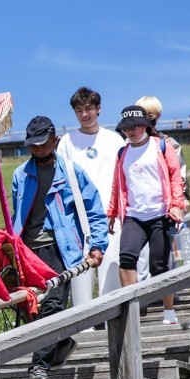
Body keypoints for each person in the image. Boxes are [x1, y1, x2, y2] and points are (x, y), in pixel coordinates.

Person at [12, 115, 108, 379]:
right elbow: (16, 216)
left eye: (43, 144)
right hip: (28, 251)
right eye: (33, 145)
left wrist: (98, 244)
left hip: (59, 249)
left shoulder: (72, 172)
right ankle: (63, 342)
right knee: (32, 309)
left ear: (54, 139)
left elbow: (95, 209)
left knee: (53, 304)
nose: (39, 149)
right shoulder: (21, 174)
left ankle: (38, 366)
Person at [106, 106, 185, 325]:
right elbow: (117, 184)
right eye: (126, 128)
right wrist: (112, 212)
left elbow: (175, 176)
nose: (130, 131)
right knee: (127, 258)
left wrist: (177, 205)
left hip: (160, 214)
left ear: (145, 126)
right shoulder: (122, 153)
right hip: (134, 216)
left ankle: (168, 311)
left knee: (158, 265)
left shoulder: (160, 145)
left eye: (135, 126)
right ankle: (131, 311)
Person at [56, 86, 124, 308]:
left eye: (88, 109)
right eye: (79, 110)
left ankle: (111, 316)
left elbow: (122, 178)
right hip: (78, 218)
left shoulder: (115, 140)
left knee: (110, 269)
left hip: (109, 214)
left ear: (98, 109)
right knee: (80, 274)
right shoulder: (67, 141)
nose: (84, 115)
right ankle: (84, 322)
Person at [134, 95, 190, 281]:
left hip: (165, 206)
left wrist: (182, 199)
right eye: (145, 114)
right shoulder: (128, 144)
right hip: (138, 206)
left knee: (168, 253)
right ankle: (142, 297)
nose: (150, 118)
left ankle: (169, 293)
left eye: (153, 114)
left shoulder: (169, 143)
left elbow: (179, 174)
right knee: (140, 257)